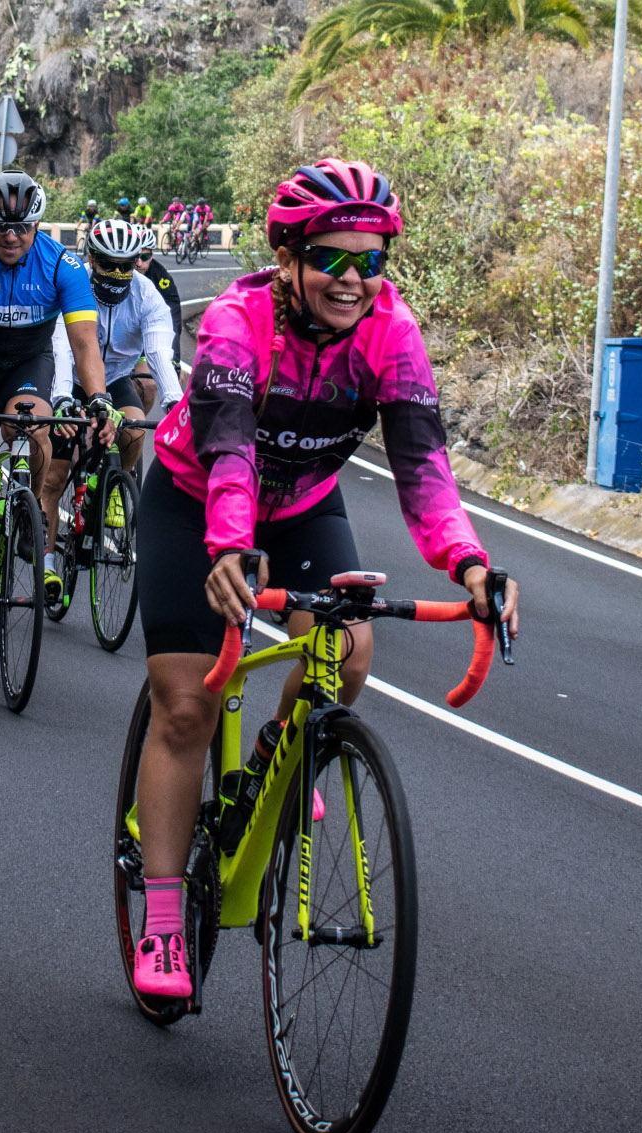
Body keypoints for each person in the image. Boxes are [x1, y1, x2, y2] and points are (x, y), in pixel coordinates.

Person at [125, 158, 520, 999]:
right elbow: (229, 442)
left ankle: (279, 749)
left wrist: (471, 563)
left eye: (369, 261)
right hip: (196, 501)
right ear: (289, 257)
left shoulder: (391, 331)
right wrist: (229, 546)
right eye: (331, 259)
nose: (351, 279)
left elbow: (424, 469)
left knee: (349, 648)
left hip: (304, 502)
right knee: (188, 704)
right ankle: (163, 920)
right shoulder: (238, 320)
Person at [0, 171, 114, 656]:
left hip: (27, 366)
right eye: (0, 227)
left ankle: (30, 515)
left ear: (37, 225)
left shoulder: (63, 265)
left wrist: (99, 398)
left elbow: (84, 342)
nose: (12, 237)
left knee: (32, 428)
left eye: (23, 227)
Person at [46, 219, 182, 600]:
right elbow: (59, 348)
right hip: (70, 375)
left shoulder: (147, 295)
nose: (120, 272)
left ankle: (117, 486)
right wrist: (61, 399)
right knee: (54, 478)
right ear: (92, 258)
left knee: (135, 426)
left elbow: (158, 352)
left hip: (117, 376)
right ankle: (47, 564)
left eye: (128, 264)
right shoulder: (72, 285)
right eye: (109, 264)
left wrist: (174, 401)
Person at [133, 227, 183, 374]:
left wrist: (174, 359)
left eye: (145, 257)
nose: (139, 264)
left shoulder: (162, 278)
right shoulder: (118, 270)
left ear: (152, 256)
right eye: (135, 257)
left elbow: (173, 318)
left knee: (147, 383)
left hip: (145, 332)